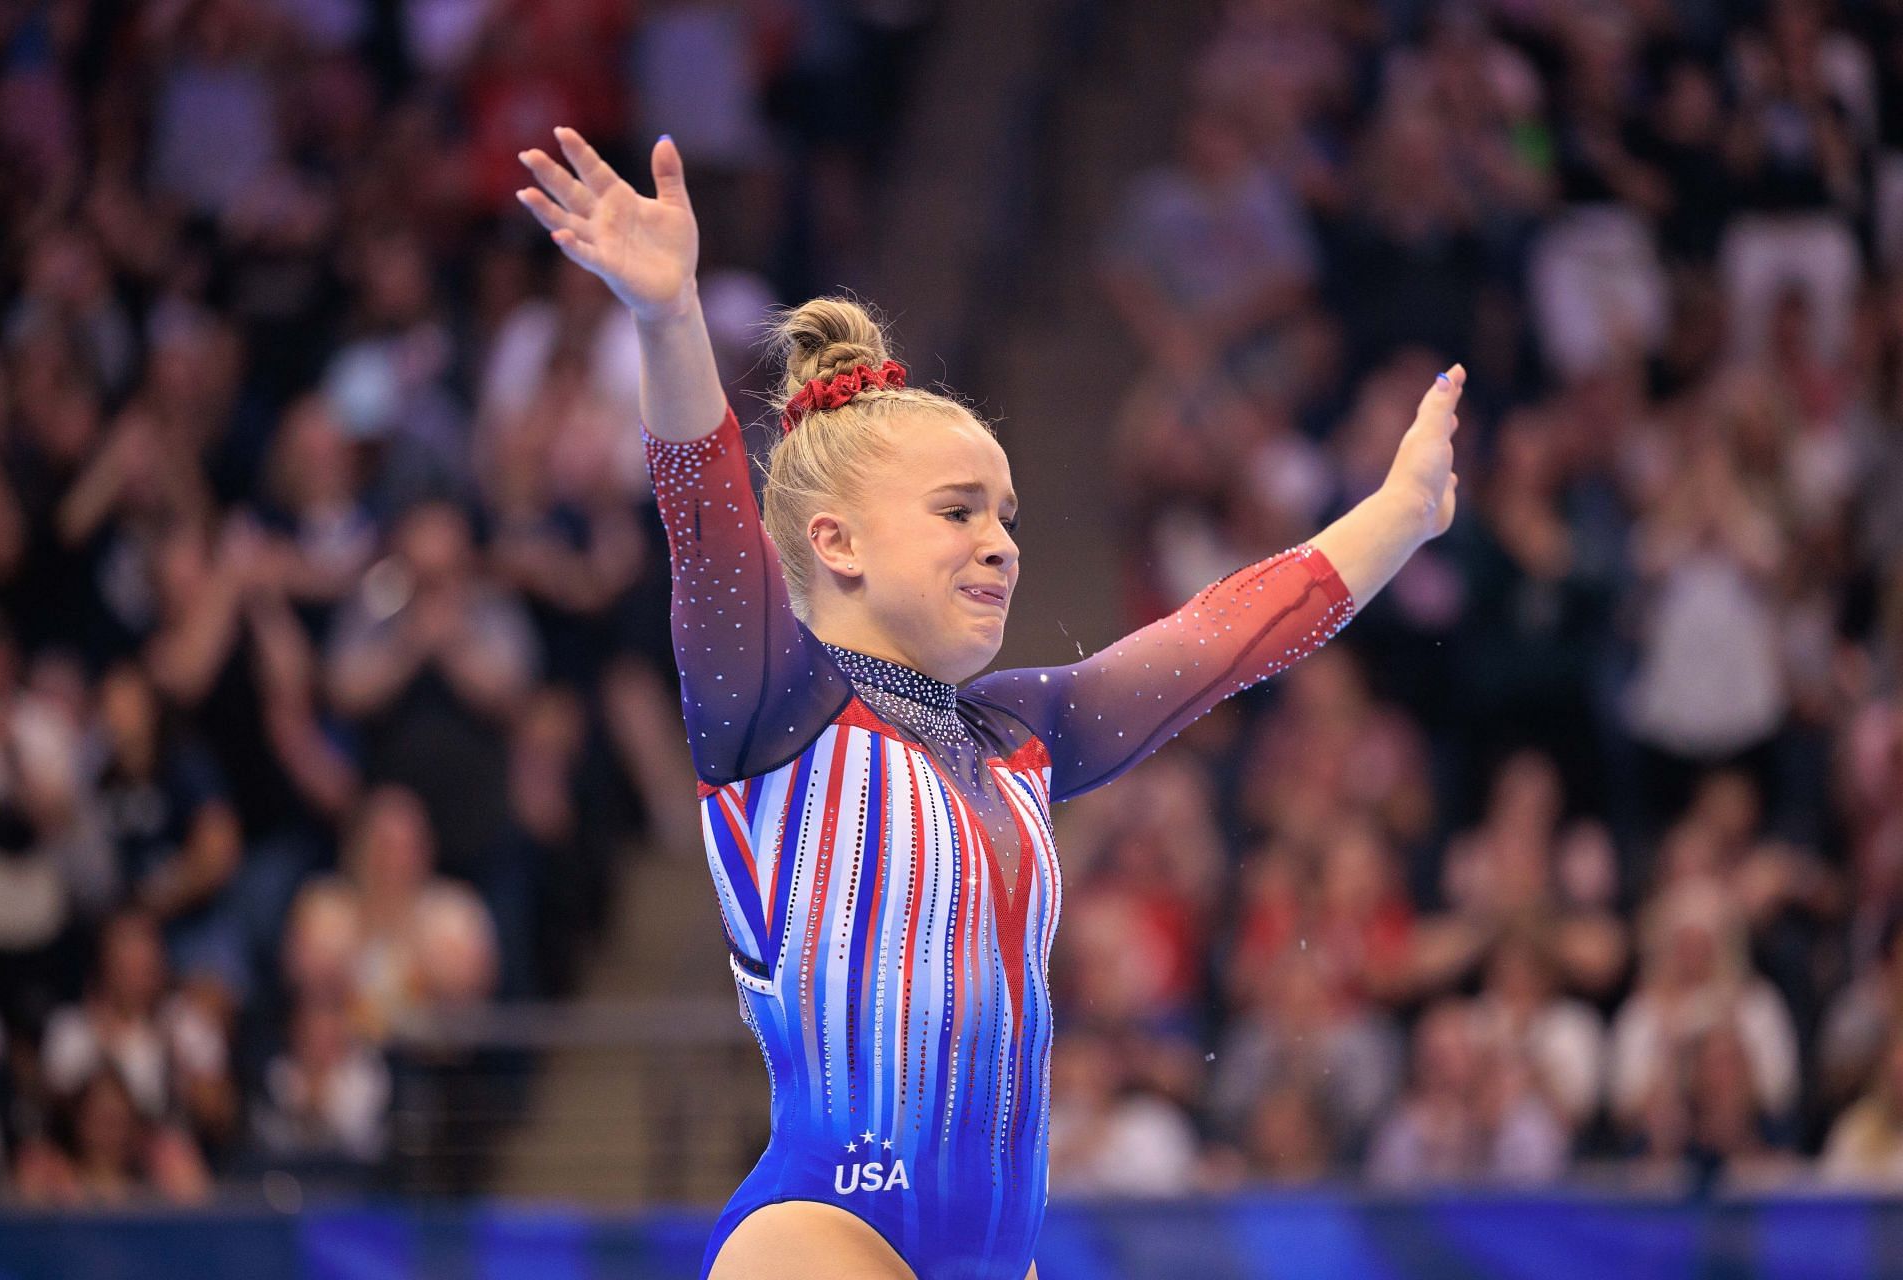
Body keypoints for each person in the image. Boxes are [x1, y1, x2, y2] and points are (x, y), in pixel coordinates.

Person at [516, 125, 1461, 1280]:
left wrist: (1400, 514)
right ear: (837, 541)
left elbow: (1222, 636)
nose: (1001, 542)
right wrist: (668, 317)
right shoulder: (773, 700)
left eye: (1006, 514)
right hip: (822, 1231)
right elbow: (703, 512)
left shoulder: (1022, 732)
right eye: (959, 510)